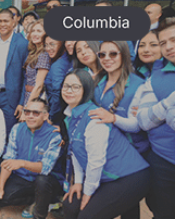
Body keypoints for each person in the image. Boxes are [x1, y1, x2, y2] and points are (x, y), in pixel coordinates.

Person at [61, 69, 150, 219]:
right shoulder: (71, 115)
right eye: (66, 86)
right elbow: (75, 150)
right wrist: (77, 182)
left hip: (130, 177)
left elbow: (96, 161)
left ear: (86, 89)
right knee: (70, 205)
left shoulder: (94, 116)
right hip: (108, 176)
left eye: (76, 87)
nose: (69, 90)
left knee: (87, 216)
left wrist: (88, 193)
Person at [0, 99, 63, 218]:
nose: (30, 116)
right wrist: (0, 187)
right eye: (27, 112)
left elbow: (44, 168)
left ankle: (41, 208)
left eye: (36, 113)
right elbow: (9, 160)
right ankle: (36, 200)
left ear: (45, 116)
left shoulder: (54, 136)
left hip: (46, 180)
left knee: (42, 181)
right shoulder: (17, 128)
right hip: (23, 178)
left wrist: (22, 163)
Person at [137, 17, 175, 218]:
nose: (169, 47)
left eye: (173, 40)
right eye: (163, 43)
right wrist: (169, 103)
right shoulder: (156, 76)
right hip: (163, 160)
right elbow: (143, 120)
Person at [93, 41, 149, 156]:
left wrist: (113, 118)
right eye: (102, 55)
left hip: (133, 153)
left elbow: (137, 126)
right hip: (105, 149)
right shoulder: (97, 82)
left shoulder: (138, 85)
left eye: (113, 54)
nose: (106, 58)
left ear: (123, 55)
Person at [0, 9, 29, 134]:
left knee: (8, 133)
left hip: (11, 98)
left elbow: (26, 77)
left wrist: (22, 103)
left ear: (13, 22)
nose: (2, 24)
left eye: (6, 21)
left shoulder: (22, 44)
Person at [18, 19, 50, 112]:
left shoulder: (44, 54)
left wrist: (28, 108)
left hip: (36, 99)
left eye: (39, 31)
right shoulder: (34, 52)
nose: (35, 34)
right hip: (28, 95)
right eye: (33, 31)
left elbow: (39, 86)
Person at [43, 35, 72, 124]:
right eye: (46, 45)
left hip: (57, 115)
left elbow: (57, 93)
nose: (48, 48)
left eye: (52, 44)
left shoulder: (57, 66)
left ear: (62, 43)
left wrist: (51, 117)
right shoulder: (68, 58)